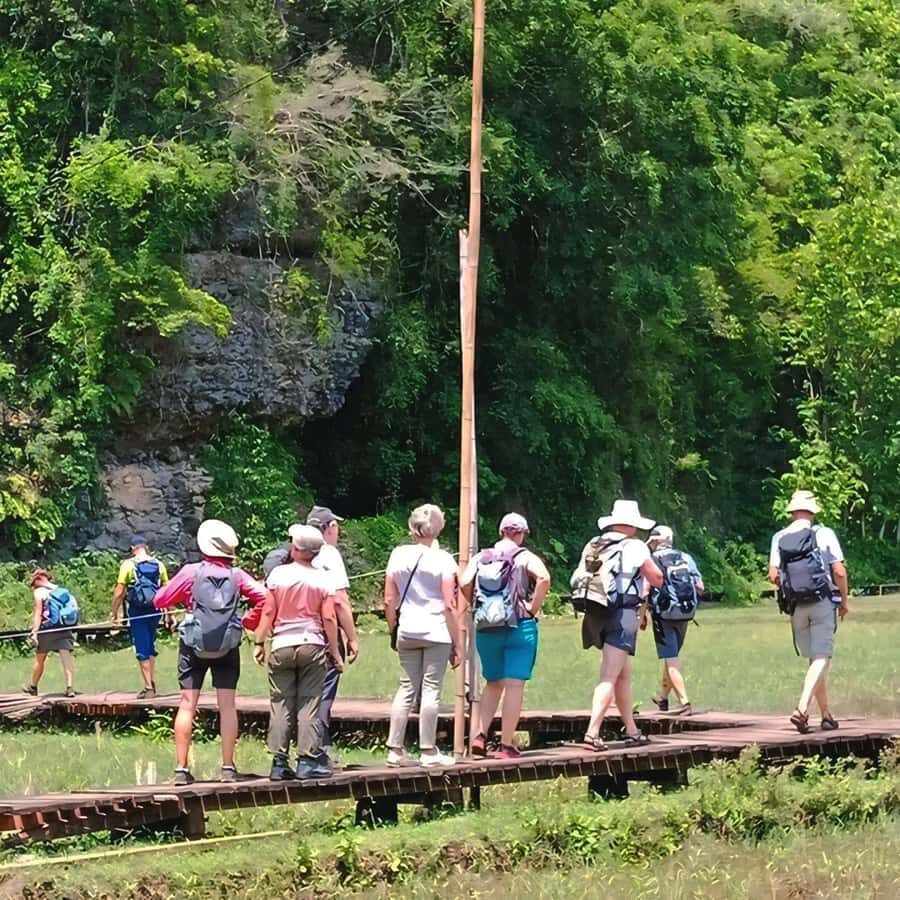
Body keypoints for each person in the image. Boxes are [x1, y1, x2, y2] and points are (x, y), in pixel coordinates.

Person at [153, 519, 269, 785]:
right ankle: (228, 768)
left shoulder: (191, 572)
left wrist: (186, 600)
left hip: (193, 643)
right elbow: (264, 597)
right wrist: (245, 621)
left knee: (187, 704)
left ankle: (181, 769)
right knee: (227, 705)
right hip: (228, 645)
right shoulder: (237, 575)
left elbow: (159, 599)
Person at [460, 513, 551, 760]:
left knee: (493, 682)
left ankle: (480, 735)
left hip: (487, 628)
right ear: (521, 534)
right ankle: (507, 744)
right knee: (514, 685)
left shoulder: (481, 557)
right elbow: (543, 578)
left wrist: (477, 605)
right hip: (519, 625)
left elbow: (464, 581)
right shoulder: (525, 556)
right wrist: (532, 608)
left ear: (501, 532)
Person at [254, 525, 342, 780]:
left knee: (280, 703)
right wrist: (334, 652)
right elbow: (329, 617)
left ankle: (279, 762)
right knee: (309, 704)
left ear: (295, 549)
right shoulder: (324, 578)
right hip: (312, 644)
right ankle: (307, 760)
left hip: (282, 644)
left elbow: (268, 611)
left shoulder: (279, 574)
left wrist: (260, 641)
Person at [578, 500, 663, 752]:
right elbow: (656, 578)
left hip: (596, 611)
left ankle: (633, 730)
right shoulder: (634, 546)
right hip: (623, 613)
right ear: (632, 526)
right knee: (608, 676)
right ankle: (592, 732)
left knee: (622, 674)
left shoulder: (594, 543)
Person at [384, 504, 461, 768]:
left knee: (406, 687)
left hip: (407, 627)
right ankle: (428, 750)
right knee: (431, 690)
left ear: (411, 527)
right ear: (438, 528)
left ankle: (395, 749)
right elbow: (449, 603)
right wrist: (458, 642)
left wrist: (393, 627)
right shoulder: (444, 560)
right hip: (436, 629)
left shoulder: (398, 554)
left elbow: (388, 597)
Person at [768, 490, 849, 734]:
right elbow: (840, 572)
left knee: (815, 659)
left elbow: (773, 575)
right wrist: (844, 601)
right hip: (822, 601)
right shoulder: (823, 533)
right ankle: (802, 709)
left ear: (792, 512)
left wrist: (795, 587)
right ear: (813, 512)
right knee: (822, 657)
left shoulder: (779, 537)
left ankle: (826, 716)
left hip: (796, 606)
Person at [305, 505, 359, 767]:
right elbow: (339, 600)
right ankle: (320, 750)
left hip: (294, 633)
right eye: (335, 526)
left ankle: (297, 752)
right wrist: (351, 636)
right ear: (327, 529)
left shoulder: (297, 552)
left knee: (302, 694)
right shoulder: (329, 554)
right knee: (323, 693)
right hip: (324, 633)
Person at [643, 525, 703, 716]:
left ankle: (685, 702)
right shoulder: (686, 558)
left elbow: (645, 590)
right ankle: (662, 697)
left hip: (663, 615)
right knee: (672, 656)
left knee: (671, 658)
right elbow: (700, 586)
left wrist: (642, 614)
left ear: (654, 542)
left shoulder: (652, 560)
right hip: (685, 613)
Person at [111, 536, 170, 699]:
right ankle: (151, 681)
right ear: (146, 547)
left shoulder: (128, 565)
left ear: (132, 548)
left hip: (138, 610)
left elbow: (119, 592)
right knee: (149, 644)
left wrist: (115, 613)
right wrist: (168, 613)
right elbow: (166, 589)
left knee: (141, 646)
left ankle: (148, 687)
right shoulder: (159, 564)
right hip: (155, 609)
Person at [23, 569, 78, 697]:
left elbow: (38, 614)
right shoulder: (62, 590)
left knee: (40, 659)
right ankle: (70, 688)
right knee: (66, 657)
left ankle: (34, 687)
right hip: (63, 627)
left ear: (39, 579)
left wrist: (35, 632)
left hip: (47, 629)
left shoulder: (39, 592)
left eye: (34, 583)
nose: (34, 586)